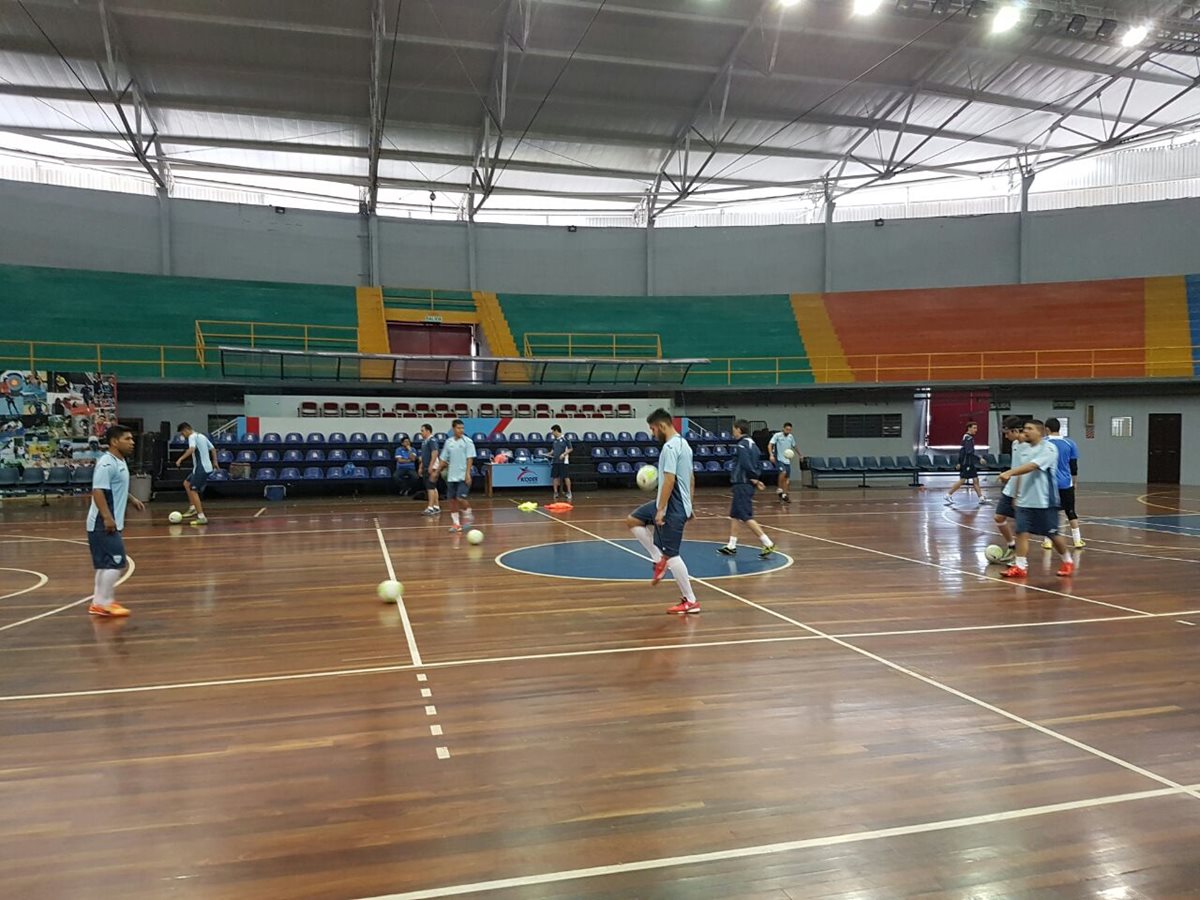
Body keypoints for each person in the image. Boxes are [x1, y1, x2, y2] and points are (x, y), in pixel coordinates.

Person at [625, 408, 699, 614]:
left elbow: (669, 480)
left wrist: (661, 510)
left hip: (672, 507)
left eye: (653, 429)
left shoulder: (669, 447)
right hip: (677, 504)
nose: (652, 433)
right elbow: (691, 478)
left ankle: (691, 601)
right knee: (633, 520)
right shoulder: (685, 444)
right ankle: (658, 559)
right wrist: (690, 505)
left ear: (662, 426)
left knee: (672, 555)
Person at [998, 419, 1075, 579]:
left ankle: (1067, 560)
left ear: (1040, 432)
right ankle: (1020, 566)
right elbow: (1021, 473)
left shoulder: (1049, 448)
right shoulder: (1024, 449)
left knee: (1053, 534)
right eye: (1025, 428)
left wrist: (1009, 473)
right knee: (1021, 532)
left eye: (1030, 428)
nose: (1026, 431)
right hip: (1025, 501)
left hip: (1045, 501)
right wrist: (1016, 495)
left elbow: (1032, 466)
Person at [86, 424, 144, 617]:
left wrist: (131, 499)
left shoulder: (119, 461)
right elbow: (98, 491)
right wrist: (107, 518)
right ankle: (106, 603)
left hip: (105, 522)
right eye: (127, 439)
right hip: (103, 523)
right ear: (114, 442)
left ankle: (98, 603)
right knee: (117, 563)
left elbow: (115, 486)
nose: (132, 442)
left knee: (105, 564)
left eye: (132, 438)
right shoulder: (107, 463)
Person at [718, 419, 777, 559]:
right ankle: (731, 545)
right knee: (735, 515)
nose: (732, 432)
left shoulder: (742, 445)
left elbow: (745, 463)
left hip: (742, 483)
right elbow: (757, 464)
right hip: (746, 483)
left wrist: (754, 478)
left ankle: (768, 543)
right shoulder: (754, 445)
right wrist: (756, 478)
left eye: (734, 429)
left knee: (745, 515)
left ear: (739, 429)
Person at [1044, 417, 1084, 550]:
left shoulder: (1043, 443)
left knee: (1049, 512)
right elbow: (1074, 466)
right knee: (1070, 511)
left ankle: (1048, 542)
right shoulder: (1070, 443)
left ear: (1047, 429)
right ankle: (1077, 541)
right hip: (1066, 483)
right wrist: (1074, 482)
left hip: (1048, 484)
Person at [992, 417, 1027, 564]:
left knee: (1022, 525)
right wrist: (1008, 477)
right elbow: (1015, 467)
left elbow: (1023, 471)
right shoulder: (1015, 444)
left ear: (1016, 430)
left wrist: (1017, 495)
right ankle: (1012, 546)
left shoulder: (1027, 447)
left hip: (1022, 490)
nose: (1006, 436)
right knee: (999, 517)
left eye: (1007, 433)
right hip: (1010, 487)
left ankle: (1021, 559)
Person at [174, 422, 218, 526]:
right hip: (204, 467)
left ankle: (201, 517)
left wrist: (180, 459)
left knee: (193, 490)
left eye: (182, 433)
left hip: (201, 468)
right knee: (186, 483)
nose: (183, 436)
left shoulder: (192, 437)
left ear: (186, 430)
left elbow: (192, 449)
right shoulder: (202, 436)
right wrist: (215, 462)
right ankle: (193, 507)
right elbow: (213, 449)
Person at [441, 419, 476, 534]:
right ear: (453, 429)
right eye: (458, 428)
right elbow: (444, 458)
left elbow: (470, 458)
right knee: (452, 500)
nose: (461, 430)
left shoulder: (468, 442)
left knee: (461, 498)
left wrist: (467, 474)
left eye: (462, 428)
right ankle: (456, 524)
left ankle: (468, 514)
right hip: (451, 476)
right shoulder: (448, 442)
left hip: (463, 475)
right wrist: (437, 472)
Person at [945, 421, 989, 506]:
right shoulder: (968, 438)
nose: (976, 430)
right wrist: (979, 458)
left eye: (976, 428)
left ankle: (981, 498)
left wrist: (959, 462)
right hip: (967, 463)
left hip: (969, 463)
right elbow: (969, 452)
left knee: (975, 479)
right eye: (974, 428)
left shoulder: (967, 437)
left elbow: (962, 451)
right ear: (969, 428)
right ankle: (948, 494)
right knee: (963, 480)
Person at [768, 422, 798, 502]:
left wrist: (800, 454)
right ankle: (779, 488)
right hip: (779, 459)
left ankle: (784, 495)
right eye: (787, 429)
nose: (788, 431)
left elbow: (794, 446)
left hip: (787, 460)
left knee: (787, 479)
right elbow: (770, 445)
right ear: (783, 428)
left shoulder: (791, 437)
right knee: (783, 472)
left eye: (790, 430)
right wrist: (771, 455)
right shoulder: (777, 435)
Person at [417, 424, 441, 516]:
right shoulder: (424, 442)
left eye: (422, 430)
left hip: (432, 466)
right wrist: (421, 466)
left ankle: (430, 507)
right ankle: (436, 506)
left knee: (430, 487)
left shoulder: (432, 440)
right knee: (433, 487)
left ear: (428, 431)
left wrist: (431, 466)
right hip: (426, 466)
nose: (421, 432)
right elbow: (424, 456)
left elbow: (435, 453)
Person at [548, 424, 573, 501]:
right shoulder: (554, 440)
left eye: (552, 431)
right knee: (555, 477)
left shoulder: (565, 438)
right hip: (555, 461)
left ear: (556, 430)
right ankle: (555, 493)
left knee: (566, 477)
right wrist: (549, 454)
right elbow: (553, 450)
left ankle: (569, 492)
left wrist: (563, 454)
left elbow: (570, 449)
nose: (552, 433)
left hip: (564, 461)